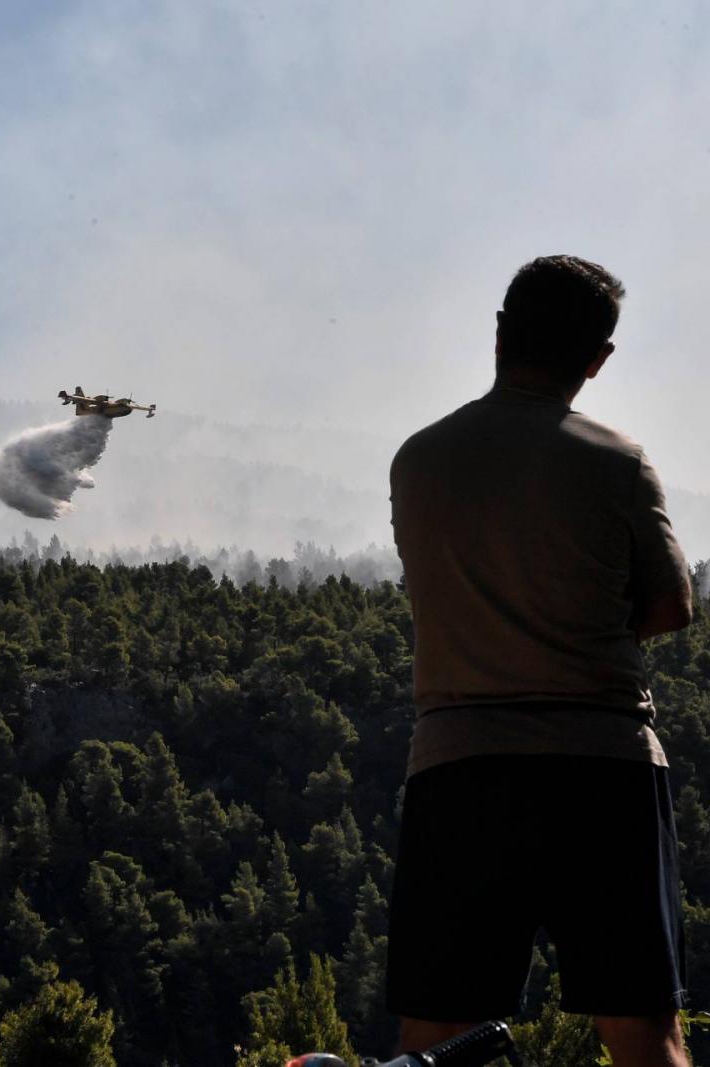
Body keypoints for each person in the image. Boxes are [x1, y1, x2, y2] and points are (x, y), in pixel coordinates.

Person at [386, 255, 696, 1066]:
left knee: (437, 1040)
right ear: (598, 359)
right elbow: (673, 606)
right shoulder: (617, 460)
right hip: (604, 768)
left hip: (460, 766)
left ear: (498, 333)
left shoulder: (418, 459)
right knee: (642, 1033)